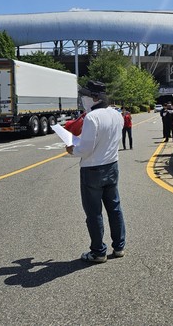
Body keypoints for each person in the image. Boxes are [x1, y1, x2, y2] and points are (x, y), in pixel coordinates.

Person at [65, 80, 126, 263]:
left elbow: (86, 149)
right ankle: (119, 247)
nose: (83, 99)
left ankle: (98, 252)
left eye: (85, 96)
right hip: (112, 165)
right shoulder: (117, 115)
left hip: (92, 169)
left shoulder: (92, 118)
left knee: (94, 213)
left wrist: (71, 149)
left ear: (95, 97)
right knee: (114, 208)